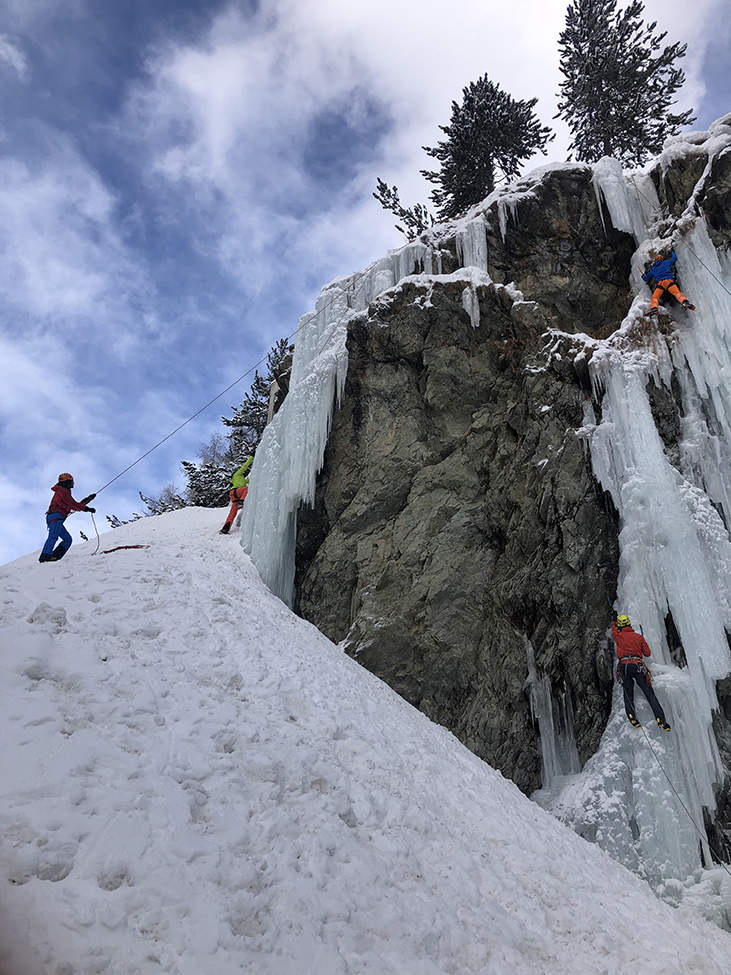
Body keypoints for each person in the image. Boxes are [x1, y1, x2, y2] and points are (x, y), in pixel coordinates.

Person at [611, 610, 671, 731]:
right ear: (629, 624)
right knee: (649, 693)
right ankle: (661, 720)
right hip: (637, 665)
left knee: (628, 692)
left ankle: (632, 717)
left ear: (621, 625)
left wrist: (614, 619)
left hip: (624, 666)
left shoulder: (618, 635)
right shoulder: (638, 637)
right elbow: (647, 653)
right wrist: (641, 643)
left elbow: (614, 629)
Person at [39, 473, 96, 563]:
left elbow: (75, 505)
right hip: (56, 517)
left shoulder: (64, 492)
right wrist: (87, 508)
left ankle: (55, 556)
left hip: (56, 518)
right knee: (53, 536)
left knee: (68, 539)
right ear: (67, 482)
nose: (73, 484)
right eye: (71, 482)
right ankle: (45, 556)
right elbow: (74, 505)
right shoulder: (62, 492)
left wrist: (88, 499)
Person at [642, 248, 695, 317]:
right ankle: (685, 302)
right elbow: (674, 258)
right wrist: (672, 251)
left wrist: (643, 275)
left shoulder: (653, 269)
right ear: (661, 259)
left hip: (660, 284)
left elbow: (646, 278)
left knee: (655, 297)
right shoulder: (665, 262)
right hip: (669, 281)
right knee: (677, 293)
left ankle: (654, 308)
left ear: (654, 261)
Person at [219, 456, 253, 535]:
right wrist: (251, 458)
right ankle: (242, 501)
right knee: (246, 489)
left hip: (234, 496)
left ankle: (225, 529)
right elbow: (244, 466)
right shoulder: (237, 474)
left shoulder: (242, 479)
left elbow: (251, 480)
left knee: (232, 513)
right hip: (237, 492)